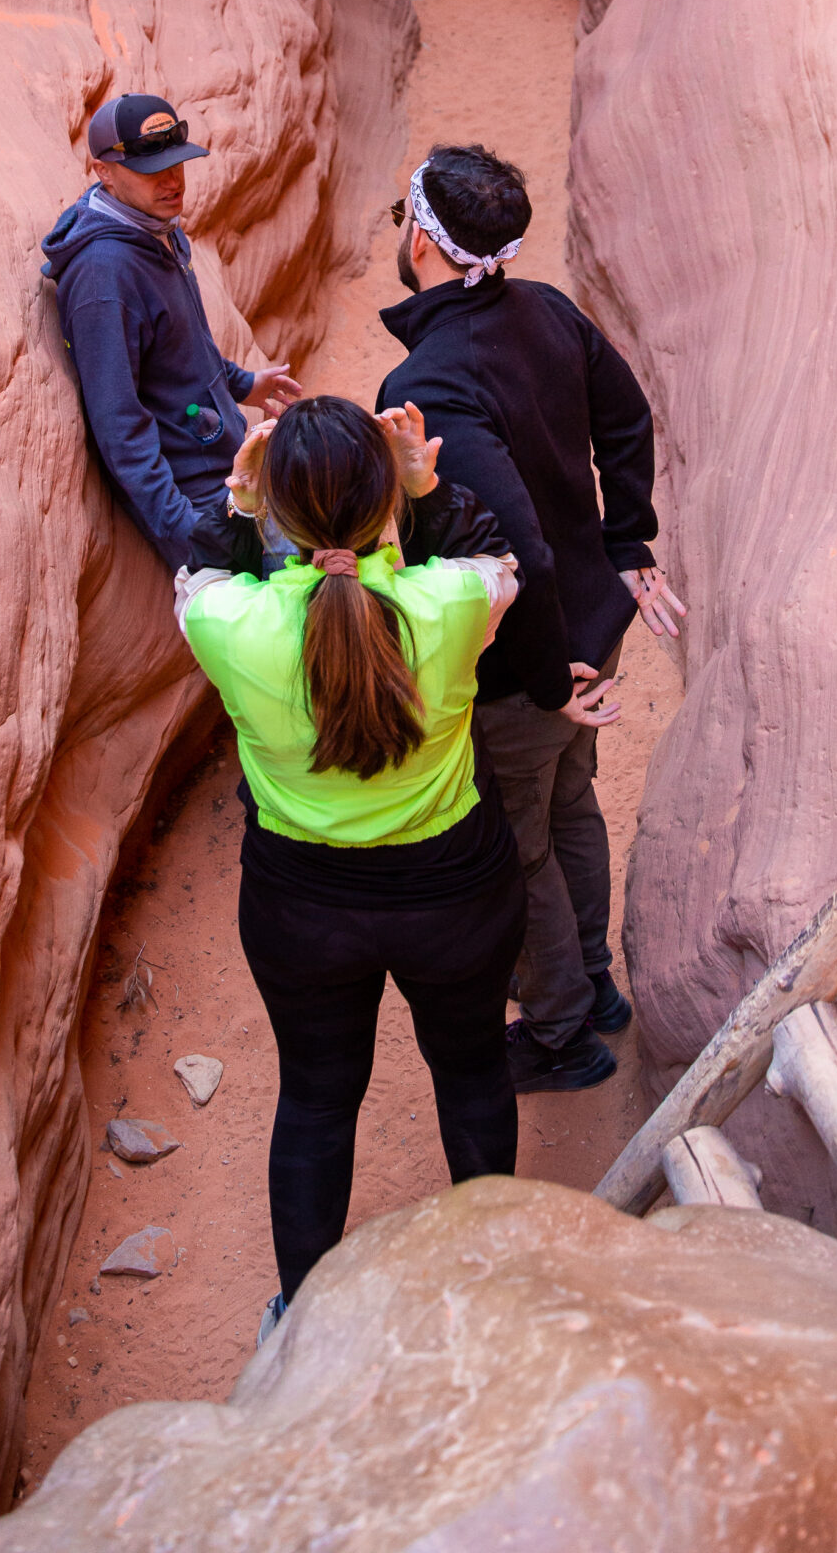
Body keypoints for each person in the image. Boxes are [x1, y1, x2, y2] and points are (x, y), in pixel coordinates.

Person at [177, 394, 524, 1338]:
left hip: (302, 908)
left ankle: (301, 1320)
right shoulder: (449, 605)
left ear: (282, 510)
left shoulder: (228, 624)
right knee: (473, 1073)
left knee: (317, 1099)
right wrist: (427, 487)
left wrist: (242, 507)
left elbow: (204, 569)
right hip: (456, 892)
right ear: (385, 504)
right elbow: (497, 560)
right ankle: (491, 1294)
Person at [377, 143, 686, 1094]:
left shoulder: (428, 384)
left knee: (520, 846)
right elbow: (626, 418)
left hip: (524, 659)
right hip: (584, 626)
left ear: (424, 238)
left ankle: (558, 1034)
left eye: (403, 213)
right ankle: (590, 986)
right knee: (567, 804)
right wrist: (626, 543)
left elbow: (523, 552)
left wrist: (551, 687)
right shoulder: (545, 309)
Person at [41, 91, 299, 575]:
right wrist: (190, 533)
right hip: (201, 503)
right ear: (104, 171)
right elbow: (120, 430)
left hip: (233, 473)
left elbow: (183, 345)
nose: (172, 180)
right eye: (151, 169)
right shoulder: (105, 277)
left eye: (177, 162)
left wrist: (243, 384)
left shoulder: (155, 227)